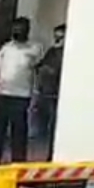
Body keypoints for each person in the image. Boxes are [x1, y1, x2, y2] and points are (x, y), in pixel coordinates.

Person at [0, 17, 43, 167]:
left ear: (27, 30)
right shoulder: (7, 47)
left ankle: (18, 161)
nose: (17, 31)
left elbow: (38, 69)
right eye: (15, 28)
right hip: (3, 94)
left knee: (18, 130)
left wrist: (36, 92)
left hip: (21, 95)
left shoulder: (35, 48)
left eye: (21, 28)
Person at [35, 23, 65, 160]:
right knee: (44, 127)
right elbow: (41, 65)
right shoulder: (52, 51)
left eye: (60, 35)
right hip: (46, 92)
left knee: (55, 126)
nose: (57, 38)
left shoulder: (66, 53)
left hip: (57, 94)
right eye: (56, 35)